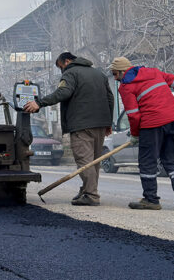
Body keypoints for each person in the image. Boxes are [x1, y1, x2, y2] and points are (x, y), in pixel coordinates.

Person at [109, 57, 174, 211]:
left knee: (147, 162)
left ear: (122, 72)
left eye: (115, 74)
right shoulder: (154, 72)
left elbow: (133, 115)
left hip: (152, 124)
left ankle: (151, 199)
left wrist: (135, 135)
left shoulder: (126, 86)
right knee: (171, 159)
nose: (115, 78)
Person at [23, 51, 113, 206]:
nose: (61, 71)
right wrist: (108, 122)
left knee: (84, 160)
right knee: (93, 162)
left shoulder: (70, 73)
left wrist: (39, 103)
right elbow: (110, 98)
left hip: (81, 125)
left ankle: (91, 195)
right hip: (100, 124)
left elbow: (63, 92)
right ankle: (87, 190)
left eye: (60, 67)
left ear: (66, 61)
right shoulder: (99, 74)